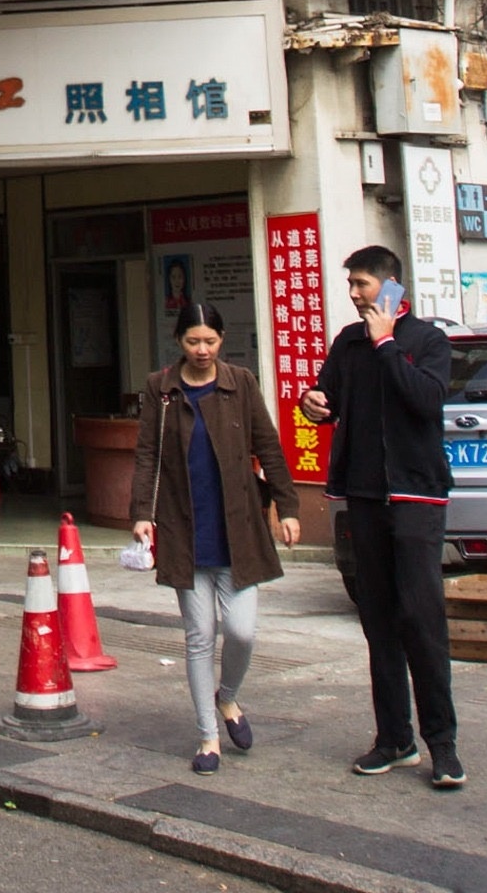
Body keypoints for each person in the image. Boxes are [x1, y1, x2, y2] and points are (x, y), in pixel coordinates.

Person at [297, 245, 460, 790]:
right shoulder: (347, 342)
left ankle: (444, 745)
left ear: (391, 287)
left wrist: (387, 343)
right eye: (352, 285)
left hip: (416, 497)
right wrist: (313, 403)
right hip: (364, 496)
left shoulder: (427, 341)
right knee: (379, 620)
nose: (354, 293)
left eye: (363, 284)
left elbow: (427, 401)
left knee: (421, 618)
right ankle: (394, 738)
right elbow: (329, 399)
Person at [132, 299, 301, 773]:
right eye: (192, 342)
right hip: (185, 527)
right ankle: (208, 738)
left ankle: (227, 697)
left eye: (209, 341)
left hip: (237, 527)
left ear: (221, 341)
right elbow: (147, 453)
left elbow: (268, 444)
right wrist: (142, 513)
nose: (202, 350)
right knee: (199, 636)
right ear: (179, 341)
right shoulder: (160, 390)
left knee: (243, 631)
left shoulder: (240, 383)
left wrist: (287, 508)